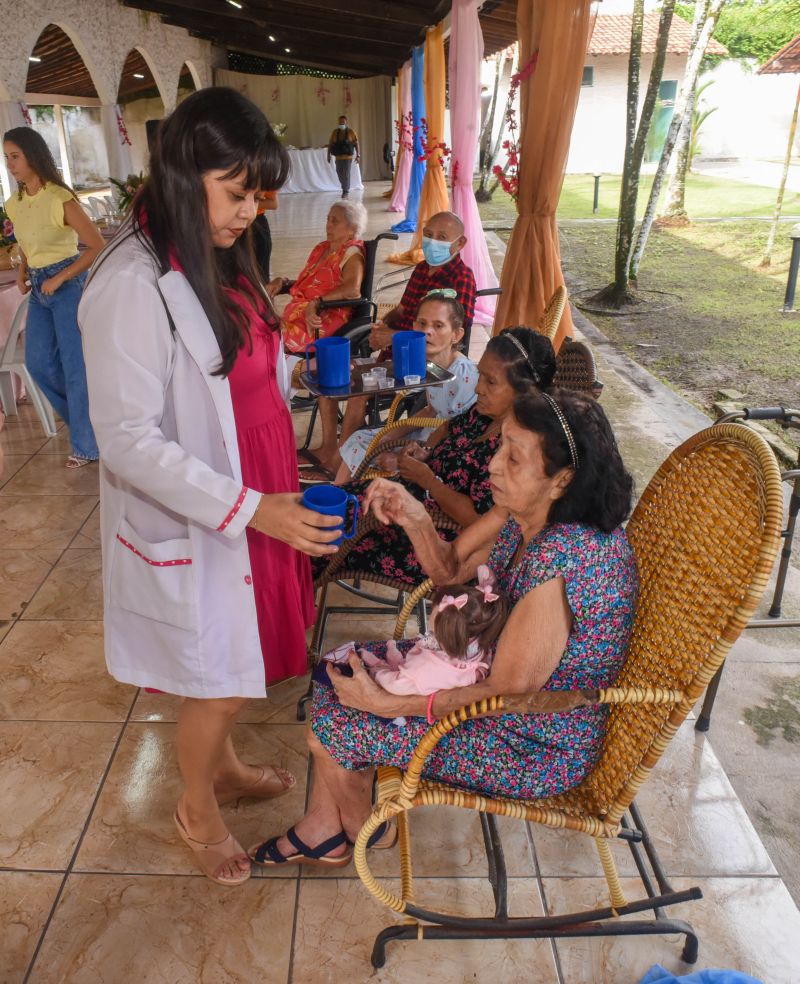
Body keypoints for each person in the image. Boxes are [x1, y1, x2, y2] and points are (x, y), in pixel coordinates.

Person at [78, 87, 342, 887]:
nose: (249, 211)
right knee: (222, 676)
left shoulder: (214, 252)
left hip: (255, 486)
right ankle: (196, 804)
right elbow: (124, 439)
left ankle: (222, 766)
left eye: (257, 194)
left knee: (240, 656)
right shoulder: (129, 282)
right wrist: (251, 506)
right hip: (215, 506)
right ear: (186, 174)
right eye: (237, 193)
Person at [248, 388, 638, 867]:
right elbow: (452, 568)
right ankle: (329, 826)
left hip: (531, 742)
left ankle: (354, 831)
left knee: (334, 724)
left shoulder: (563, 561)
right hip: (484, 681)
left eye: (514, 457)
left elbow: (508, 694)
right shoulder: (524, 511)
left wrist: (389, 703)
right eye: (501, 446)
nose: (494, 464)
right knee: (337, 667)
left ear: (562, 480)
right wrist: (413, 514)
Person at [313, 327, 557, 587]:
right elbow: (447, 427)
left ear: (524, 391)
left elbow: (481, 522)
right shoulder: (484, 413)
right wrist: (425, 452)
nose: (478, 387)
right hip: (408, 502)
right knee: (321, 517)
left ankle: (290, 604)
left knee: (322, 539)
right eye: (480, 376)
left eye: (491, 381)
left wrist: (428, 481)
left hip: (433, 539)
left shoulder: (517, 451)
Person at [300, 211, 477, 480]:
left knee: (360, 391)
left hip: (417, 364)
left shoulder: (461, 278)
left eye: (442, 237)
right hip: (393, 353)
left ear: (460, 243)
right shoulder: (421, 269)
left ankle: (337, 461)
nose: (432, 242)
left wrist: (393, 336)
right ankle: (328, 448)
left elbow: (441, 335)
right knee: (333, 372)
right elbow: (403, 308)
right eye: (428, 235)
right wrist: (382, 326)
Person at [3, 127, 105, 468]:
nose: (10, 164)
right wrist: (22, 271)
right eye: (6, 157)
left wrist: (60, 277)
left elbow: (96, 246)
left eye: (15, 156)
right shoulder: (14, 203)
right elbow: (27, 242)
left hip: (68, 286)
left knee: (75, 369)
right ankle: (88, 427)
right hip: (38, 287)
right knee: (38, 364)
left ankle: (86, 445)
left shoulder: (59, 197)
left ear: (33, 155)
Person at [334, 290, 478, 482]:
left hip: (447, 449)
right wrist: (386, 437)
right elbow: (429, 411)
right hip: (427, 435)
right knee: (360, 440)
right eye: (422, 323)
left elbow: (459, 432)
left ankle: (347, 501)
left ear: (456, 335)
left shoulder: (462, 375)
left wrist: (406, 457)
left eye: (438, 325)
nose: (427, 331)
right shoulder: (429, 365)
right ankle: (338, 499)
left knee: (376, 455)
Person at [359, 565, 510, 697]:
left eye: (435, 633)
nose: (432, 634)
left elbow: (397, 686)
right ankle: (392, 662)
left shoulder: (431, 669)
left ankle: (381, 667)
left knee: (392, 680)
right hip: (420, 671)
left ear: (448, 640)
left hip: (411, 684)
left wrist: (379, 675)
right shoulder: (477, 631)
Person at [271, 199, 366, 356]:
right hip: (300, 315)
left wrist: (317, 303)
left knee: (266, 335)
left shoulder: (351, 253)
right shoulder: (322, 248)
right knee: (257, 322)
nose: (328, 225)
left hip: (322, 319)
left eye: (335, 221)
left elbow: (352, 290)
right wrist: (282, 282)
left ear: (352, 228)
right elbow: (310, 284)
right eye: (327, 220)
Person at [327, 115, 360, 199]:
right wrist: (328, 155)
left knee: (346, 174)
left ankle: (345, 191)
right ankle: (345, 188)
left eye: (343, 121)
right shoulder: (335, 132)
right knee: (339, 173)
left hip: (347, 158)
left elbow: (356, 144)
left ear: (346, 122)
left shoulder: (351, 132)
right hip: (338, 157)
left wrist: (358, 155)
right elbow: (330, 144)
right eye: (340, 121)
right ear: (338, 122)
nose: (342, 123)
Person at [251, 189, 278, 282]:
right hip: (229, 220)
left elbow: (273, 203)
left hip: (257, 222)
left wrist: (244, 202)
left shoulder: (264, 176)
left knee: (261, 273)